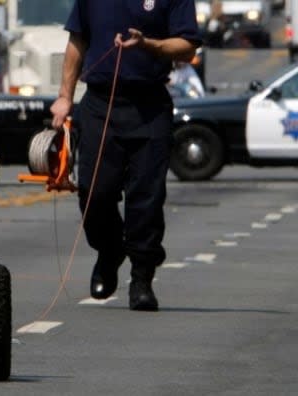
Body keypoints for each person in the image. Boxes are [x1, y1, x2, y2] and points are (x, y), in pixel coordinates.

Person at [50, 0, 201, 311]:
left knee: (146, 198)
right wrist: (65, 96)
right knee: (93, 192)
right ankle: (109, 251)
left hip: (149, 106)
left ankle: (142, 277)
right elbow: (77, 40)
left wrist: (149, 45)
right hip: (100, 103)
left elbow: (187, 46)